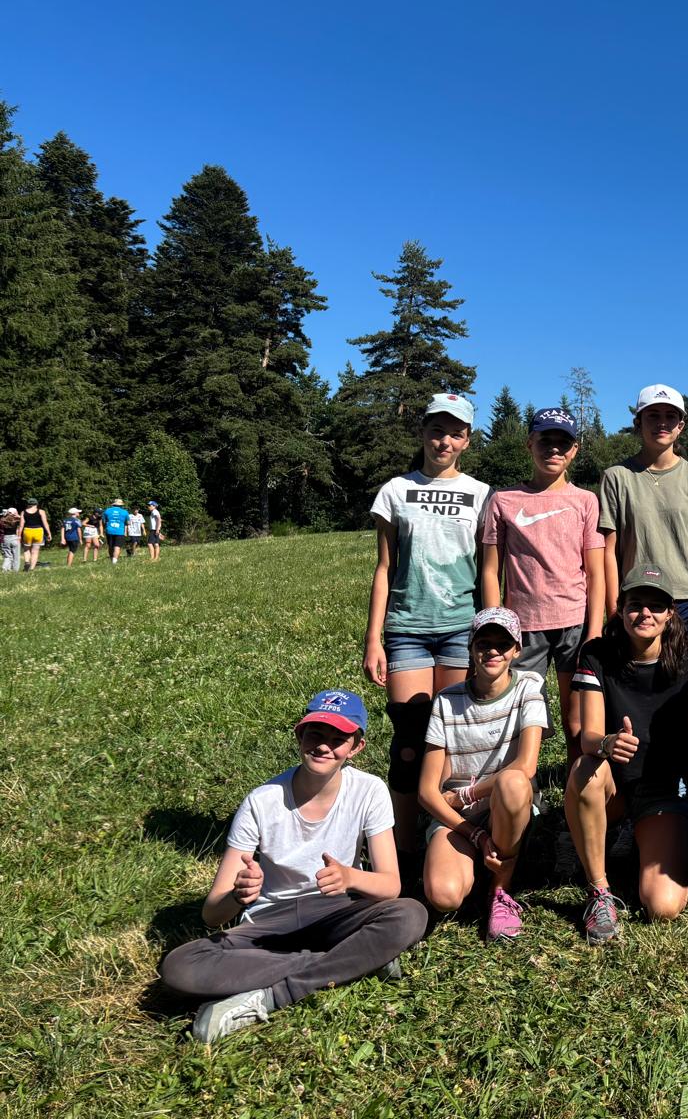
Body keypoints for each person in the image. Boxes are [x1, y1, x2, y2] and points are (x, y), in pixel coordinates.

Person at [157, 690, 427, 1043]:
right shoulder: (261, 802)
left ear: (356, 747)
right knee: (180, 966)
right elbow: (212, 914)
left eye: (338, 739)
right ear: (300, 735)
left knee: (410, 914)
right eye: (315, 734)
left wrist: (350, 876)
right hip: (270, 923)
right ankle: (354, 959)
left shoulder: (369, 791)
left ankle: (271, 996)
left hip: (336, 911)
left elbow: (390, 885)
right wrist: (238, 895)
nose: (324, 746)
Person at [363, 392, 491, 876]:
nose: (444, 441)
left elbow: (488, 568)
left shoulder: (482, 494)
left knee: (454, 739)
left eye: (455, 433)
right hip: (407, 629)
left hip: (461, 627)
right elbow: (384, 567)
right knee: (409, 740)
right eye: (437, 430)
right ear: (422, 432)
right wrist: (373, 639)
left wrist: (488, 628)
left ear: (467, 441)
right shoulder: (395, 490)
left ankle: (450, 831)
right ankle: (402, 847)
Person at [565, 564, 688, 944]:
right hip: (616, 784)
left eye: (656, 605)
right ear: (621, 609)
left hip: (665, 788)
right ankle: (599, 891)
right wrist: (608, 743)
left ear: (670, 613)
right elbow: (588, 737)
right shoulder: (597, 655)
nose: (645, 613)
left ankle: (668, 830)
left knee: (662, 906)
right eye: (635, 604)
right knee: (584, 769)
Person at [480, 406, 604, 776]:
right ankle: (521, 791)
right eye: (544, 440)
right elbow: (490, 569)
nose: (553, 449)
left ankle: (576, 789)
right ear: (529, 444)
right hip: (523, 626)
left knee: (576, 720)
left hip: (574, 624)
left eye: (563, 442)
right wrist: (496, 626)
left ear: (575, 450)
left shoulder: (586, 500)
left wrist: (594, 630)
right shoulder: (503, 500)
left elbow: (595, 573)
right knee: (520, 718)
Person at [417, 607, 546, 941]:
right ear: (471, 649)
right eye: (483, 643)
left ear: (517, 651)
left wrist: (467, 794)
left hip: (504, 803)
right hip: (460, 819)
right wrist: (474, 834)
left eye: (503, 644)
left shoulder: (529, 688)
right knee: (444, 896)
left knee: (513, 781)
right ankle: (478, 859)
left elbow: (526, 766)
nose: (493, 651)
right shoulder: (446, 701)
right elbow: (427, 791)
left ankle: (500, 890)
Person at [599, 384, 688, 655]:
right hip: (638, 601)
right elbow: (609, 551)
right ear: (638, 423)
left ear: (681, 425)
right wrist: (614, 611)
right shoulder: (616, 477)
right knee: (639, 678)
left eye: (670, 416)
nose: (662, 423)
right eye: (653, 415)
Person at [19, 498, 50, 572]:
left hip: (27, 531)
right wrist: (49, 533)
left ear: (28, 504)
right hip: (38, 531)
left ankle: (27, 562)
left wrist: (19, 535)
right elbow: (45, 523)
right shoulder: (41, 511)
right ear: (36, 504)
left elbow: (21, 525)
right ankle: (32, 568)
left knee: (26, 549)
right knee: (35, 551)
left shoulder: (23, 512)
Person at [103, 498, 130, 565]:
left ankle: (111, 558)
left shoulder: (107, 510)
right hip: (120, 531)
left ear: (114, 504)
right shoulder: (125, 512)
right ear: (121, 505)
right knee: (117, 546)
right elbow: (128, 522)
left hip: (109, 531)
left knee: (110, 546)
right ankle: (114, 561)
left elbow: (104, 521)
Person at [2, 507, 22, 573]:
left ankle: (5, 568)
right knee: (16, 556)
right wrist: (18, 516)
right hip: (14, 538)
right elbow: (26, 519)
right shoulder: (16, 520)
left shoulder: (3, 520)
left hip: (5, 538)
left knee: (8, 555)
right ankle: (15, 570)